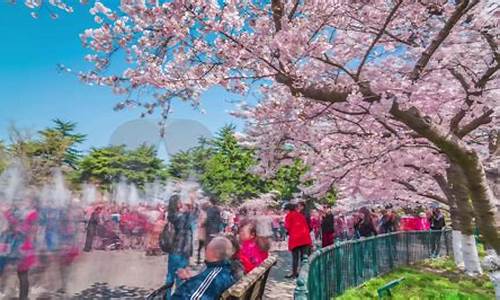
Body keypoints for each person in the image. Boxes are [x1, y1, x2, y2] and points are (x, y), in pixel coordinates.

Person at [172, 236, 236, 299]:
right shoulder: (223, 269)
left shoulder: (214, 276)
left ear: (211, 252)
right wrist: (192, 277)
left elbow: (195, 297)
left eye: (207, 248)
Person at [165, 194, 195, 299]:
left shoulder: (171, 215)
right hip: (181, 250)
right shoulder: (181, 216)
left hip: (174, 249)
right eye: (180, 201)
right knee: (180, 276)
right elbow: (192, 215)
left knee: (170, 275)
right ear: (176, 203)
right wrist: (192, 201)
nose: (182, 202)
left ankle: (167, 297)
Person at [284, 202, 312, 279]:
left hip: (296, 239)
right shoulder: (300, 215)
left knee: (295, 257)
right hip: (305, 238)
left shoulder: (289, 215)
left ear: (288, 210)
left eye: (285, 210)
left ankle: (294, 273)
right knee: (304, 257)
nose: (285, 212)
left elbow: (287, 226)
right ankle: (303, 273)